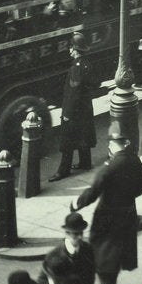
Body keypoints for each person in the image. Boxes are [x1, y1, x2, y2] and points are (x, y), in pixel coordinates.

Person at [71, 125, 142, 284]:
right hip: (128, 212)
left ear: (113, 144)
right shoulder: (135, 161)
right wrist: (129, 196)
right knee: (119, 249)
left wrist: (76, 204)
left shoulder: (109, 167)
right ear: (125, 143)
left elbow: (93, 191)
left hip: (107, 215)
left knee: (103, 249)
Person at [50, 32, 98, 181]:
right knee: (84, 134)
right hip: (85, 109)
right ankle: (85, 162)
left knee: (67, 140)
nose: (70, 50)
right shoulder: (87, 64)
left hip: (75, 111)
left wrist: (67, 113)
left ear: (77, 50)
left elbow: (74, 92)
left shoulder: (76, 67)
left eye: (72, 47)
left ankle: (63, 170)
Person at [39, 213, 96, 284]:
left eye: (81, 233)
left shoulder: (88, 249)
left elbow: (90, 275)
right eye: (75, 234)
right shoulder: (53, 255)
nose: (79, 237)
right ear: (67, 233)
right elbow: (42, 282)